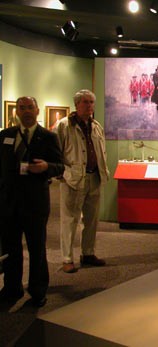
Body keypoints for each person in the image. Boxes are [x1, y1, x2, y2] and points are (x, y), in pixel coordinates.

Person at [0, 96, 64, 307]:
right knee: (11, 248)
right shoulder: (5, 136)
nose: (26, 111)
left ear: (37, 111)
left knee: (37, 248)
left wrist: (47, 167)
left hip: (35, 202)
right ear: (16, 112)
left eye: (30, 107)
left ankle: (37, 291)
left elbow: (60, 166)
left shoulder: (47, 137)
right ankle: (12, 288)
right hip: (9, 203)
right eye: (22, 108)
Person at [55, 89, 110, 274]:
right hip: (73, 179)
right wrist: (62, 174)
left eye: (91, 102)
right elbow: (56, 153)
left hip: (94, 177)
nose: (89, 106)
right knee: (69, 220)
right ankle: (67, 258)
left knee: (91, 220)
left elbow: (102, 151)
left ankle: (88, 253)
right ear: (76, 104)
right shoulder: (64, 126)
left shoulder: (96, 126)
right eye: (85, 102)